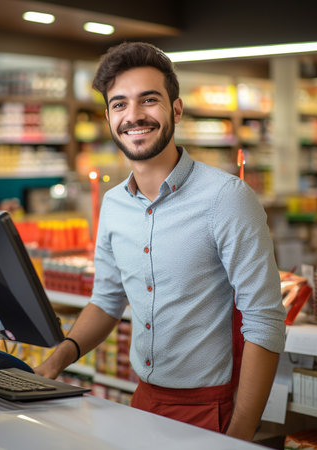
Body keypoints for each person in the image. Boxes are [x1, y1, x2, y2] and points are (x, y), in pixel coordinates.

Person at [35, 41, 286, 441]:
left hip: (212, 408)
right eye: (119, 104)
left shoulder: (226, 198)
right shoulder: (114, 204)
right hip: (145, 401)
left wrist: (238, 435)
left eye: (148, 100)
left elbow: (265, 319)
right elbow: (106, 300)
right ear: (108, 117)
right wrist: (55, 361)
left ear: (176, 109)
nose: (133, 115)